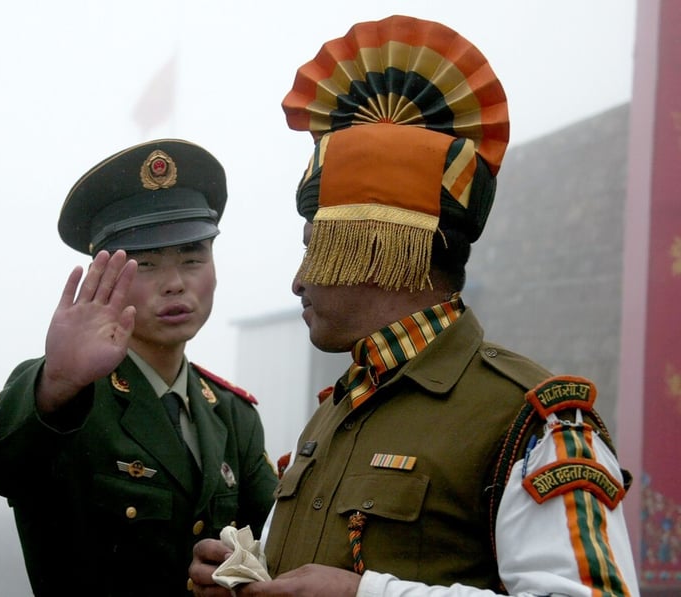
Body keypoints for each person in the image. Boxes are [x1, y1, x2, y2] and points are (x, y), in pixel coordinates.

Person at [188, 15, 639, 597]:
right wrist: (248, 577)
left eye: (314, 251)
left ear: (379, 246)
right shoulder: (333, 415)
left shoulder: (532, 421)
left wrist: (364, 595)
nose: (298, 283)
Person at [0, 138, 278, 596]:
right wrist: (58, 381)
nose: (176, 284)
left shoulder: (232, 415)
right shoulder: (67, 396)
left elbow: (279, 541)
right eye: (145, 265)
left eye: (193, 259)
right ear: (105, 280)